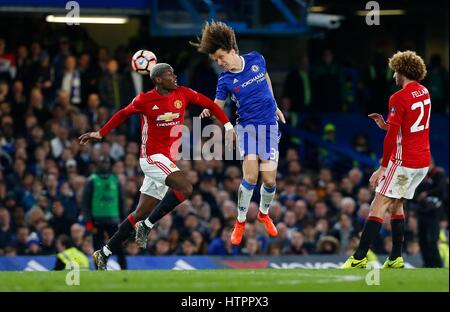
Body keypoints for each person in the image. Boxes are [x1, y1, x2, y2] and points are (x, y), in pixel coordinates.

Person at [79, 63, 232, 270]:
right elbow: (123, 113)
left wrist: (228, 125)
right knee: (186, 188)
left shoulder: (183, 94)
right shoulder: (145, 99)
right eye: (170, 74)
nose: (175, 77)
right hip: (151, 158)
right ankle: (148, 226)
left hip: (166, 161)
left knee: (139, 213)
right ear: (158, 79)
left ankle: (103, 253)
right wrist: (101, 133)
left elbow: (212, 105)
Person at [190, 21, 286, 245]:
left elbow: (266, 78)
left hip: (269, 126)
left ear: (232, 50)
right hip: (247, 128)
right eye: (216, 60)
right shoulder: (224, 80)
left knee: (270, 180)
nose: (220, 62)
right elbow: (218, 105)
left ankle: (263, 214)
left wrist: (275, 104)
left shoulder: (256, 59)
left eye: (222, 57)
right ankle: (240, 221)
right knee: (251, 176)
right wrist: (209, 109)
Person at [342, 51, 431, 269]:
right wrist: (386, 125)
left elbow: (393, 138)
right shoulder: (424, 92)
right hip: (422, 161)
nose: (393, 76)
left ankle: (359, 257)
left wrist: (382, 168)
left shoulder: (398, 97)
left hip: (404, 160)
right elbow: (410, 126)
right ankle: (395, 258)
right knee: (397, 204)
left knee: (378, 203)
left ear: (402, 71)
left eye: (394, 71)